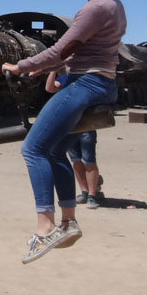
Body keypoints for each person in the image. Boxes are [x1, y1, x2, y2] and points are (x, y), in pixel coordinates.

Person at [1, 0, 125, 264]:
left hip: (86, 85)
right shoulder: (114, 5)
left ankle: (45, 226)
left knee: (33, 149)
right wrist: (45, 69)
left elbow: (61, 50)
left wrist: (23, 65)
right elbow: (75, 52)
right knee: (56, 151)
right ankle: (68, 222)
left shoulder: (95, 8)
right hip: (103, 85)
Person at [45, 72, 104, 209]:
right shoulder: (65, 79)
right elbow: (49, 88)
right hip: (69, 126)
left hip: (87, 125)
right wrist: (52, 70)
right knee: (76, 161)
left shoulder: (86, 79)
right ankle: (84, 192)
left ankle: (92, 195)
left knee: (89, 161)